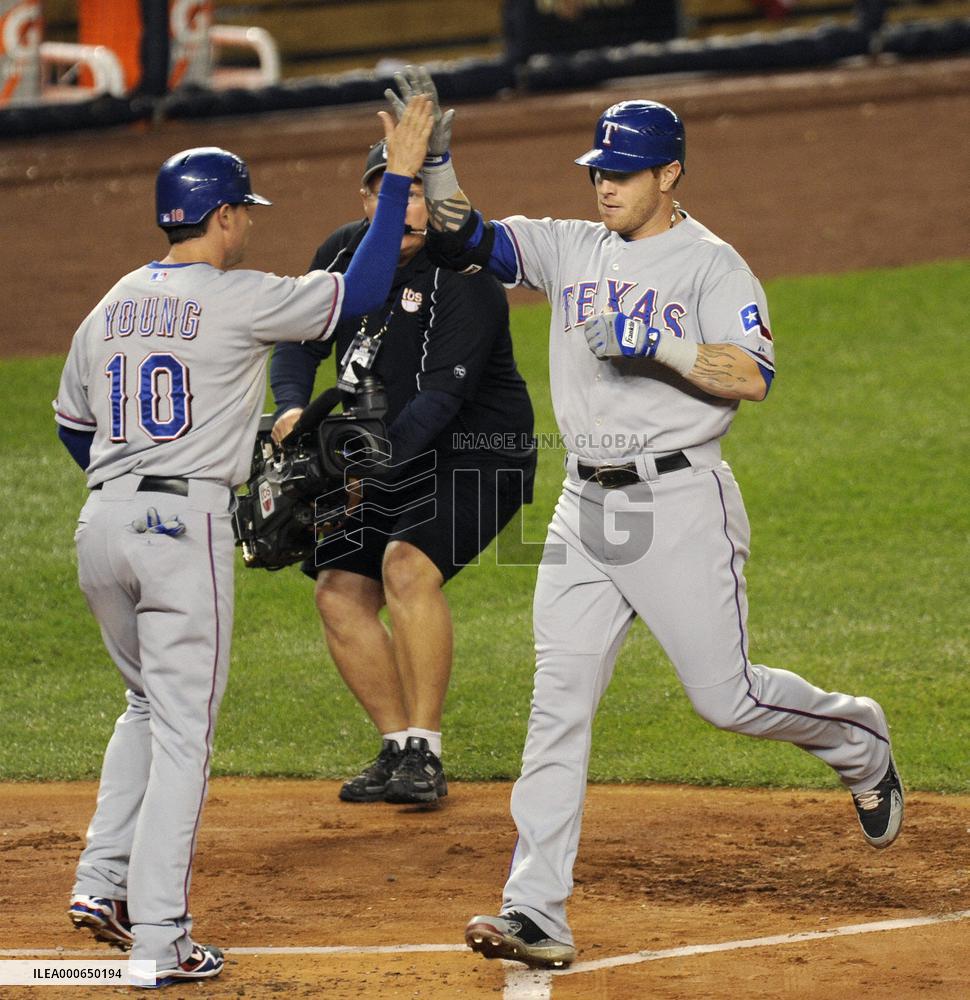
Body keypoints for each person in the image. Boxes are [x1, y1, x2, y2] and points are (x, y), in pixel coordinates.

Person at [385, 67, 904, 969]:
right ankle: (535, 909)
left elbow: (753, 376)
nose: (605, 184)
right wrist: (435, 167)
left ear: (671, 175)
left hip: (678, 500)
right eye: (598, 170)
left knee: (727, 698)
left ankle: (859, 739)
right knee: (557, 704)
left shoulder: (713, 264)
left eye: (623, 172)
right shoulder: (573, 247)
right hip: (584, 508)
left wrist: (660, 344)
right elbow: (475, 238)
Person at [52, 98, 433, 988]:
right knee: (186, 732)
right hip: (179, 531)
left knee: (145, 706)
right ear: (223, 216)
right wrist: (401, 177)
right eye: (244, 213)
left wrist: (136, 466)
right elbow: (364, 289)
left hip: (101, 525)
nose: (247, 226)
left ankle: (101, 882)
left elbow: (75, 427)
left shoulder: (110, 304)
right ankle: (161, 939)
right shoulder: (239, 297)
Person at [269, 138, 535, 806]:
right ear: (369, 200)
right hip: (382, 450)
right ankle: (394, 748)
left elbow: (438, 404)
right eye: (392, 190)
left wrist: (357, 471)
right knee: (338, 588)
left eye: (418, 189)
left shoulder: (466, 273)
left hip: (479, 451)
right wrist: (293, 409)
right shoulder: (343, 251)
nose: (408, 204)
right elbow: (299, 341)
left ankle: (426, 749)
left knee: (406, 564)